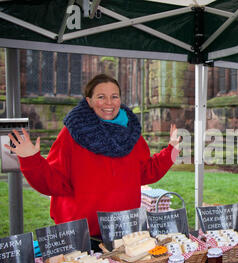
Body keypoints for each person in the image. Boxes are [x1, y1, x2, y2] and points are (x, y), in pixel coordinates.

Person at [4, 74, 181, 239]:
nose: (109, 103)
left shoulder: (132, 133)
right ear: (89, 101)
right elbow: (55, 182)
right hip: (81, 233)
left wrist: (171, 150)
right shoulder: (72, 133)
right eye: (101, 97)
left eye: (114, 96)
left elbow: (145, 172)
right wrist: (30, 159)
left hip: (123, 229)